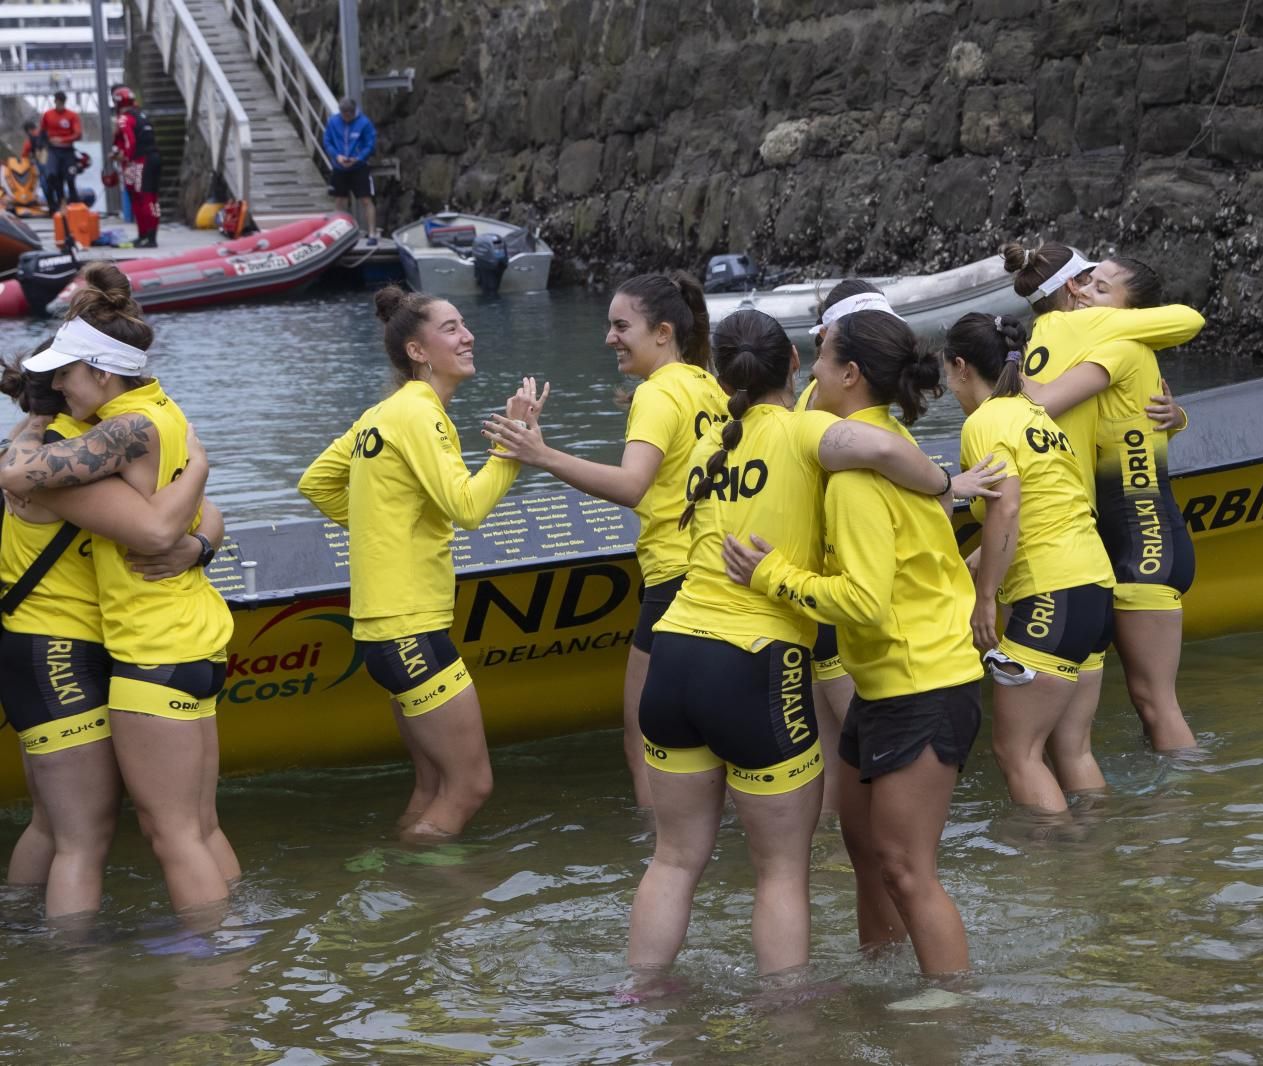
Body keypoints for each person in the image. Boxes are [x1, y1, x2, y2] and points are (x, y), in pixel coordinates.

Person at [487, 308, 992, 978]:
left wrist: (544, 455)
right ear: (791, 365)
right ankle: (788, 1020)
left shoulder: (709, 448)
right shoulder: (808, 434)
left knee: (672, 859)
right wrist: (946, 485)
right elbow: (878, 449)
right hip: (757, 661)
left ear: (722, 376)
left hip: (674, 655)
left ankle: (643, 1003)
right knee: (781, 871)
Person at [724, 309, 984, 977]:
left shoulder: (854, 479)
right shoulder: (880, 441)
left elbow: (863, 602)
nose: (810, 371)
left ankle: (951, 1010)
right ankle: (882, 980)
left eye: (822, 357)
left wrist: (772, 575)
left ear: (851, 374)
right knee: (867, 854)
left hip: (923, 683)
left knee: (905, 867)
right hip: (883, 685)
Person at [0, 263, 237, 923]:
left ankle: (58, 950)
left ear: (98, 376)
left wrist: (199, 544)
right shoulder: (77, 452)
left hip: (121, 643)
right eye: (54, 379)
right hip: (55, 644)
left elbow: (188, 522)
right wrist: (199, 474)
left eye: (66, 374)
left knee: (70, 828)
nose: (63, 386)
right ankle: (63, 957)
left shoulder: (108, 441)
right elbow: (160, 525)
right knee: (78, 834)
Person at [299, 286, 535, 840]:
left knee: (432, 787)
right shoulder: (420, 413)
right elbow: (468, 508)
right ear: (417, 351)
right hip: (409, 629)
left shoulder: (384, 413)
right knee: (470, 786)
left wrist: (386, 527)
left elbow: (316, 482)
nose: (467, 335)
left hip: (385, 630)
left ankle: (399, 877)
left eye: (464, 324)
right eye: (451, 328)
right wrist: (514, 446)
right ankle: (419, 882)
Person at [484, 273, 726, 810]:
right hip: (721, 574)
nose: (609, 338)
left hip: (673, 584)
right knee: (718, 739)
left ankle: (661, 847)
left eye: (621, 326)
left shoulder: (657, 393)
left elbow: (632, 485)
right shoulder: (712, 387)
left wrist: (542, 455)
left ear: (663, 332)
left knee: (645, 741)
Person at [1010, 253, 1207, 755]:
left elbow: (1040, 405)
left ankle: (1187, 797)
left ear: (1128, 313)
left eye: (1099, 289)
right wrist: (1178, 417)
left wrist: (995, 368)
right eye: (1084, 284)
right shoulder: (1105, 348)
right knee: (1148, 704)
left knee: (1154, 701)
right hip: (1125, 539)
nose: (1082, 293)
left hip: (1146, 543)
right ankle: (1163, 793)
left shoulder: (1118, 348)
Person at [942, 313, 1117, 809]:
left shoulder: (984, 421)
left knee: (1017, 753)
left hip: (1049, 595)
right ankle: (1099, 847)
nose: (949, 386)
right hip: (1094, 590)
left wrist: (984, 600)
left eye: (947, 373)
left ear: (961, 367)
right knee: (1072, 749)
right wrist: (978, 559)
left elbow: (1009, 506)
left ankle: (1049, 858)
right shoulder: (1036, 416)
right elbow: (1048, 505)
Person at [801, 278, 888, 815]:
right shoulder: (829, 408)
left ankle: (833, 853)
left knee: (836, 758)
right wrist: (945, 484)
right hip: (837, 597)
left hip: (819, 595)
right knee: (870, 755)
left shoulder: (818, 399)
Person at [322, 97, 378, 243]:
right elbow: (327, 141)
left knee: (366, 199)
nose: (346, 118)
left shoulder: (364, 123)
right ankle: (340, 235)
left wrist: (359, 158)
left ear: (353, 112)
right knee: (340, 200)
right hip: (339, 166)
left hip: (359, 166)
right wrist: (337, 156)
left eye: (349, 115)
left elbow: (370, 144)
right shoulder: (333, 122)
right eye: (344, 115)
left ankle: (372, 234)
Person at [111, 86, 160, 248]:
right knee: (152, 199)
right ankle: (150, 236)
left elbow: (130, 141)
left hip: (138, 161)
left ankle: (145, 236)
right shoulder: (142, 116)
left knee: (140, 198)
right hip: (153, 158)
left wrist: (123, 156)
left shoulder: (124, 119)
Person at [39, 91, 80, 214]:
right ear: (55, 101)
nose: (59, 104)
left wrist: (62, 140)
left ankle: (75, 205)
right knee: (52, 176)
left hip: (67, 150)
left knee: (70, 177)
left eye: (62, 102)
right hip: (53, 150)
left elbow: (78, 134)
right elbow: (42, 132)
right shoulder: (48, 115)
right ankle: (56, 204)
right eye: (58, 102)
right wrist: (43, 146)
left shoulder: (72, 116)